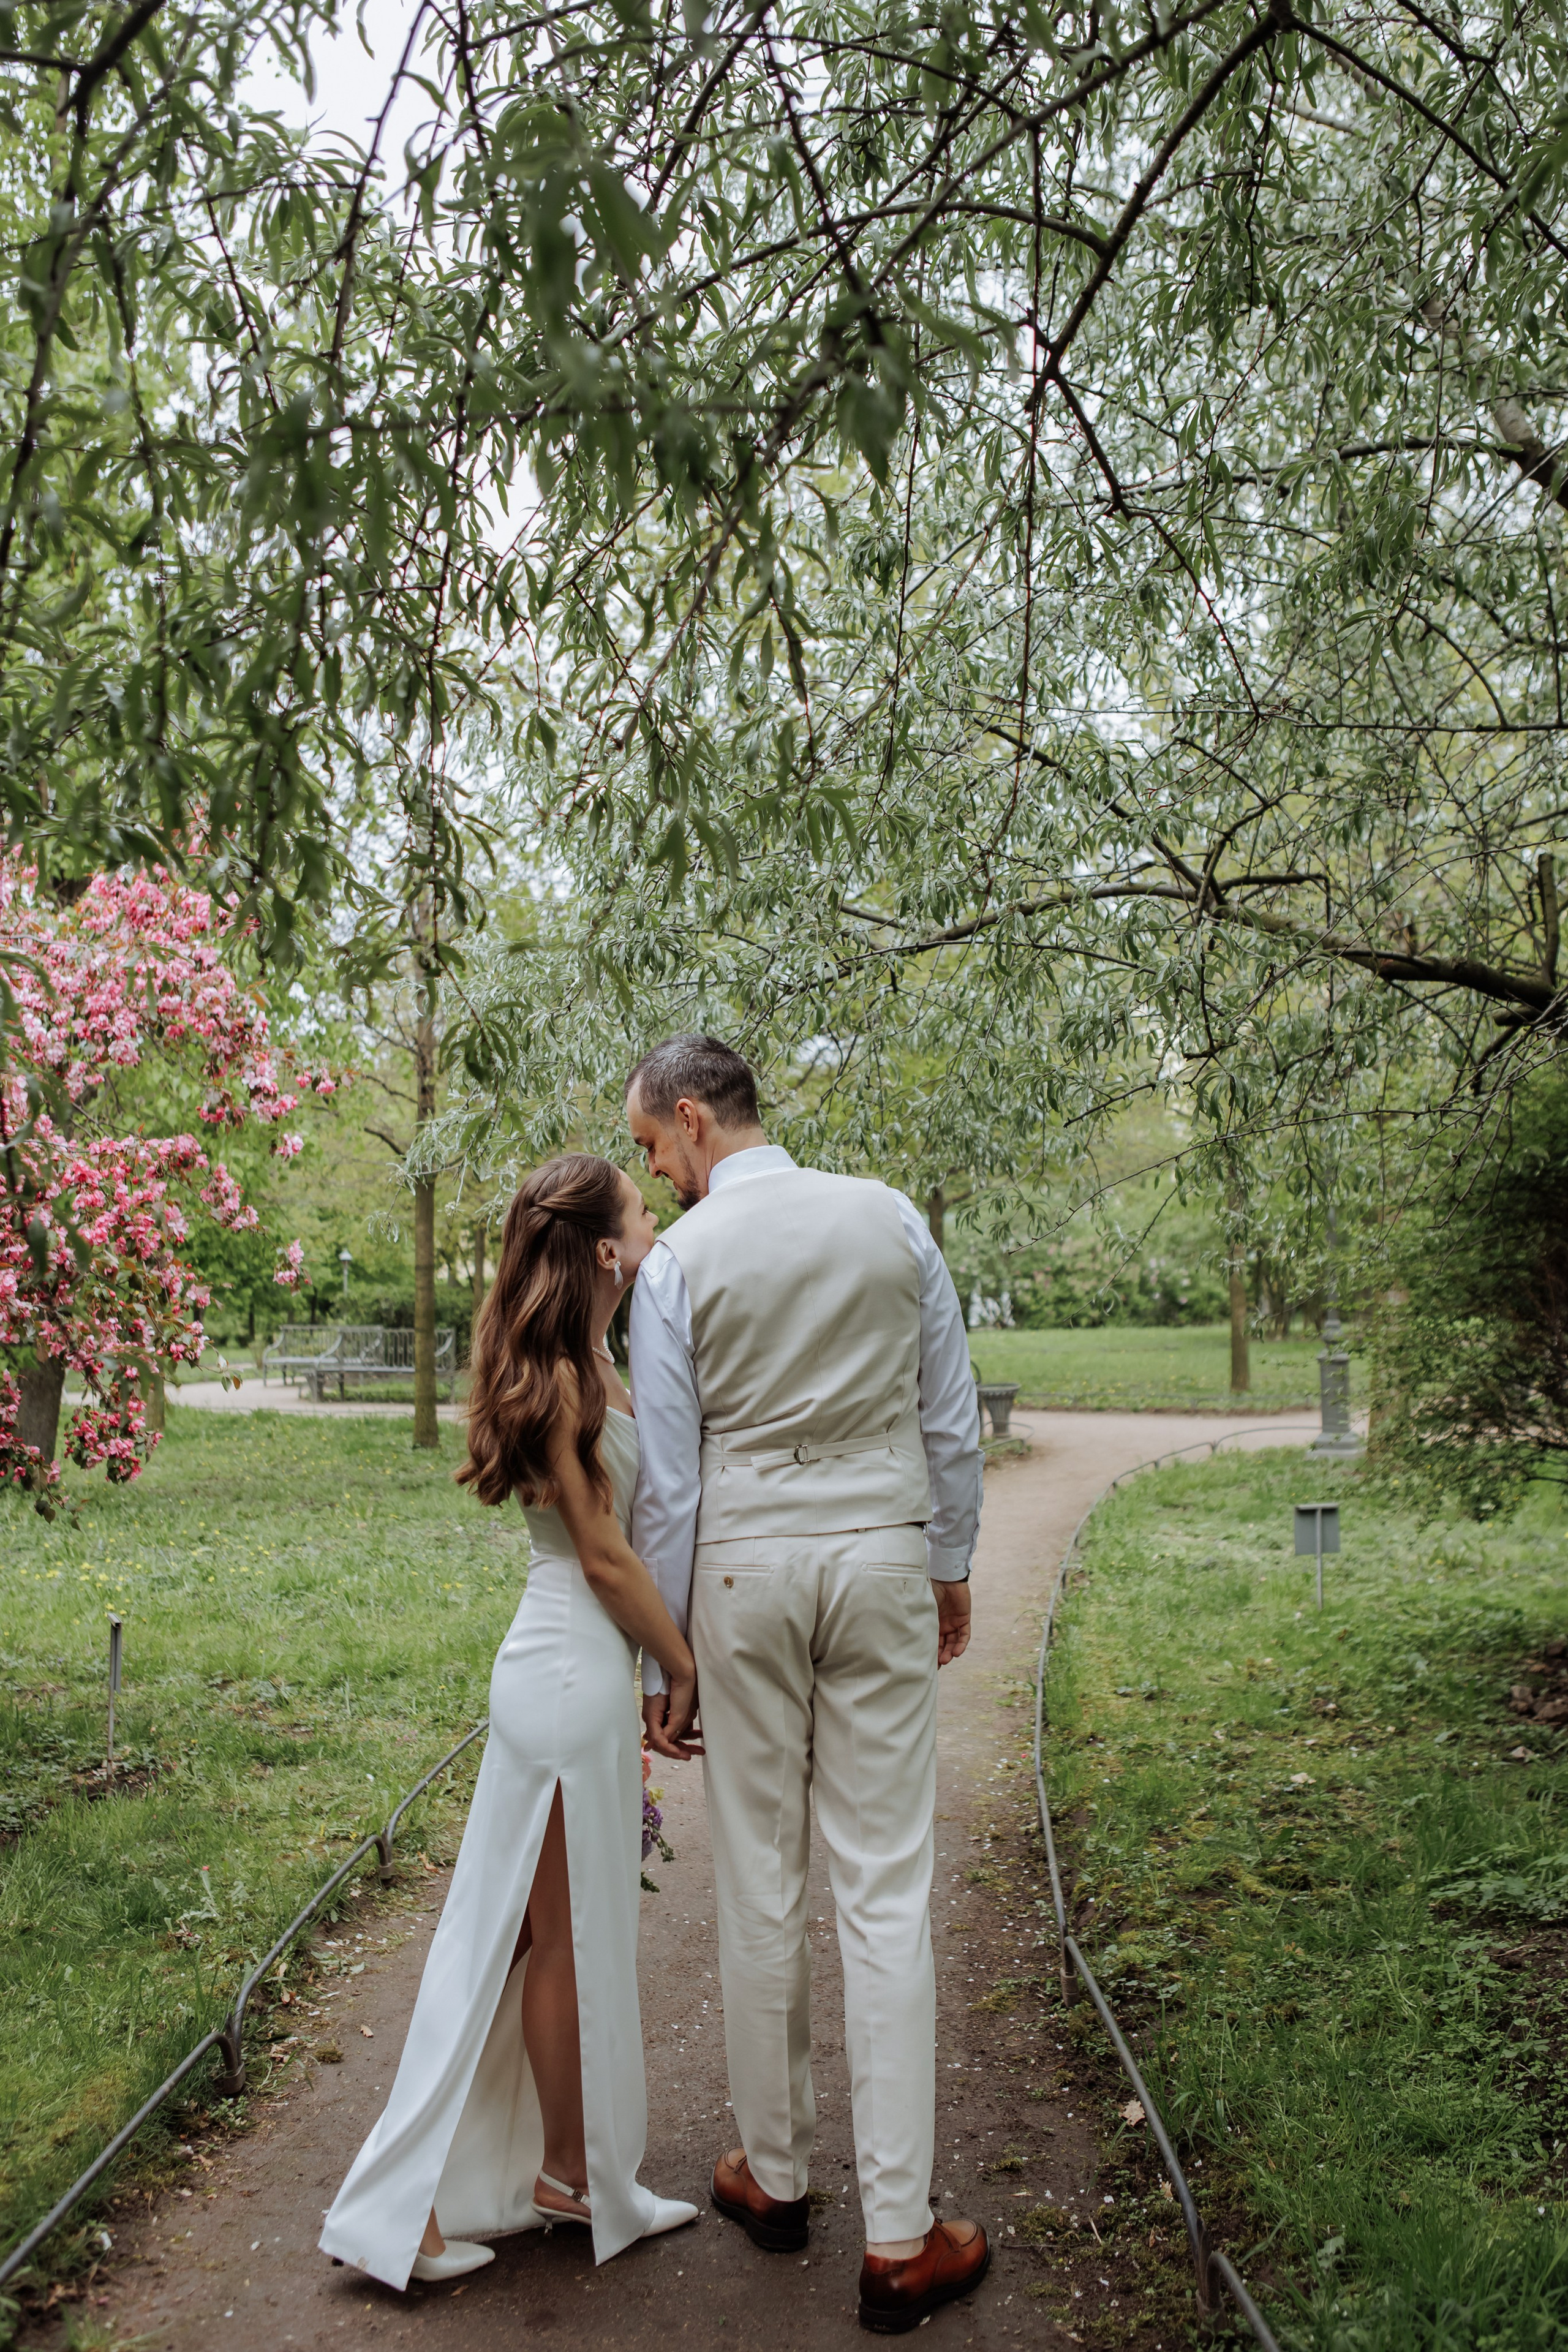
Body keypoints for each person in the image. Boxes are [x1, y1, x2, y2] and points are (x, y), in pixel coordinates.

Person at [626, 1036, 989, 2335]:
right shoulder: (886, 1218)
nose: (654, 1174)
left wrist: (666, 1657)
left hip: (740, 1578)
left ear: (691, 1119)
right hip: (881, 1555)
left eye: (652, 1147)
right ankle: (900, 2239)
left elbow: (668, 1479)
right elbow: (947, 1412)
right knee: (884, 1883)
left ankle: (774, 2180)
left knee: (759, 1877)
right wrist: (947, 1561)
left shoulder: (676, 1263)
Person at [319, 1154, 699, 2290]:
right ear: (597, 1248)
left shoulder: (575, 1362)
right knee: (515, 1938)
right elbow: (601, 1556)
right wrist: (680, 1664)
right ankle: (418, 2205)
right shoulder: (572, 1380)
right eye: (638, 1219)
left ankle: (565, 2174)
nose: (651, 1233)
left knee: (549, 1935)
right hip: (570, 1669)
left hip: (556, 1668)